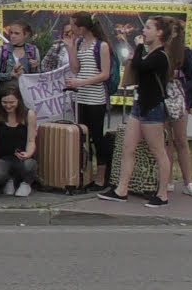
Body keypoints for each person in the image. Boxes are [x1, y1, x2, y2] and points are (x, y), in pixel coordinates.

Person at [99, 17, 177, 207]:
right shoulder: (150, 54)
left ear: (159, 32)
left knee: (158, 151)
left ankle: (162, 194)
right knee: (128, 147)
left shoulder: (160, 56)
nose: (144, 31)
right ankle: (121, 189)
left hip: (152, 108)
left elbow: (140, 66)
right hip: (139, 105)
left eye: (148, 28)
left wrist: (140, 46)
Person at [66, 12, 114, 191]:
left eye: (73, 25)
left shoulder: (101, 46)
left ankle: (101, 177)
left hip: (95, 98)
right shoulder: (79, 43)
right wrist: (71, 48)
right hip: (81, 97)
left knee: (97, 136)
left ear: (82, 27)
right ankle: (85, 175)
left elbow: (104, 74)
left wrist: (81, 82)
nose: (71, 29)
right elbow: (75, 68)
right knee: (82, 137)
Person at [166, 21, 192, 198]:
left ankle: (188, 182)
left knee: (180, 140)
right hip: (161, 100)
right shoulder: (158, 51)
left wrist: (180, 87)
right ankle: (166, 179)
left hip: (179, 102)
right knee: (166, 141)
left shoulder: (185, 52)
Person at [0, 85, 39, 197]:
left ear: (19, 101)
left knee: (29, 165)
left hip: (22, 158)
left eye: (12, 102)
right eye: (4, 102)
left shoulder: (28, 114)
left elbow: (31, 140)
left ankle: (25, 183)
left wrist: (28, 153)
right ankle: (9, 180)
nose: (8, 106)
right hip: (3, 158)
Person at [0, 20, 40, 94]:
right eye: (11, 33)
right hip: (6, 93)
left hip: (26, 94)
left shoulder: (33, 51)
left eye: (17, 33)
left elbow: (37, 78)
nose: (12, 36)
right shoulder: (3, 51)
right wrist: (10, 75)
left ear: (26, 35)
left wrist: (34, 68)